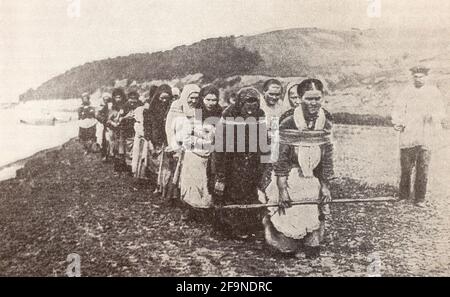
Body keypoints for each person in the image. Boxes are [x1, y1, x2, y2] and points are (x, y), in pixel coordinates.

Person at [263, 78, 334, 259]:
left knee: (312, 246)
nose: (313, 103)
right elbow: (282, 160)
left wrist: (325, 185)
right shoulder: (288, 121)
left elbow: (326, 157)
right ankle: (271, 229)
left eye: (317, 98)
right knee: (286, 248)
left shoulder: (326, 121)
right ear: (300, 98)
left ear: (322, 98)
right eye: (308, 99)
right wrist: (282, 190)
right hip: (290, 177)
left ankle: (309, 239)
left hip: (312, 178)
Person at [214, 87, 271, 239]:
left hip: (252, 160)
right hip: (231, 160)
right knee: (233, 192)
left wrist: (263, 163)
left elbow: (264, 139)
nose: (251, 108)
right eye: (247, 103)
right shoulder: (229, 114)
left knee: (250, 191)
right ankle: (232, 227)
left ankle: (249, 225)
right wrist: (220, 173)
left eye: (254, 103)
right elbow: (221, 144)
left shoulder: (260, 115)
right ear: (240, 102)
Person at [391, 65, 447, 207]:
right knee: (406, 168)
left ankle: (420, 198)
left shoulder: (434, 92)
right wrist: (398, 122)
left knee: (423, 168)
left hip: (426, 136)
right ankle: (403, 195)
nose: (418, 79)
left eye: (421, 76)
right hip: (408, 135)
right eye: (416, 76)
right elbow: (397, 109)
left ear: (426, 77)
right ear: (412, 77)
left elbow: (441, 111)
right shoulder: (406, 92)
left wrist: (433, 116)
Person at [179, 85, 223, 221]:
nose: (211, 103)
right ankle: (190, 211)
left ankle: (206, 211)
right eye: (208, 99)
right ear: (202, 99)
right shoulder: (194, 114)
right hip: (195, 154)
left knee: (206, 182)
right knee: (193, 183)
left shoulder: (220, 114)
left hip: (212, 155)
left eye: (214, 100)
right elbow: (186, 137)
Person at [164, 84, 201, 201]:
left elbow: (199, 126)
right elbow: (169, 127)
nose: (194, 100)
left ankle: (186, 197)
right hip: (177, 144)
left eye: (196, 98)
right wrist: (173, 144)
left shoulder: (199, 108)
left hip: (191, 144)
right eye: (191, 97)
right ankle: (172, 196)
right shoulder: (176, 105)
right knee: (175, 170)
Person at [143, 84, 173, 192]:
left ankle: (162, 186)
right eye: (162, 98)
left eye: (167, 98)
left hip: (167, 140)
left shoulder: (171, 108)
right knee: (155, 163)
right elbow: (147, 126)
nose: (164, 101)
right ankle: (156, 184)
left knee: (164, 164)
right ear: (157, 97)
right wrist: (149, 140)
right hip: (155, 139)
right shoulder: (150, 109)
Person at [96, 92, 113, 162]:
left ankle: (111, 154)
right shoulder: (102, 106)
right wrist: (103, 120)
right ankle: (104, 155)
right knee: (104, 140)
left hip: (112, 124)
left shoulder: (112, 105)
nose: (106, 100)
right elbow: (97, 115)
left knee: (111, 140)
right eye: (105, 99)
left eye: (107, 99)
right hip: (105, 125)